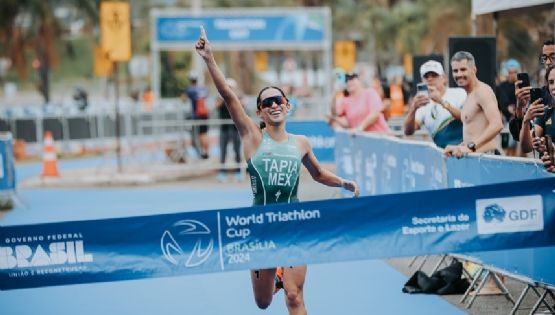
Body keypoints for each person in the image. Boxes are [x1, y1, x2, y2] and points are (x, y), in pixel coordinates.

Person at [195, 26, 359, 315]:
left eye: (278, 101)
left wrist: (343, 183)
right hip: (260, 227)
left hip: (294, 225)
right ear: (259, 112)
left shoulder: (301, 142)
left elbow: (319, 174)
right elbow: (229, 96)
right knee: (263, 302)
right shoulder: (252, 137)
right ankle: (276, 277)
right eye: (266, 102)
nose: (273, 105)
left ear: (288, 107)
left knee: (294, 298)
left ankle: (287, 279)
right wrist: (209, 59)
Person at [444, 51, 503, 157]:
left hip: (487, 158)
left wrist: (470, 147)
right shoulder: (469, 95)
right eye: (455, 71)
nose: (459, 74)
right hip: (476, 159)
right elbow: (474, 132)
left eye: (463, 69)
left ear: (474, 70)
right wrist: (459, 147)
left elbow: (497, 125)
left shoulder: (482, 91)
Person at [404, 60, 467, 148]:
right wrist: (413, 109)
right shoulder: (422, 102)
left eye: (434, 75)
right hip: (442, 154)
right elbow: (408, 131)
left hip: (463, 150)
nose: (430, 79)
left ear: (444, 78)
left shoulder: (459, 93)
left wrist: (441, 101)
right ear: (422, 80)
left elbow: (467, 118)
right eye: (426, 76)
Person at [510, 38, 555, 143]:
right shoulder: (542, 95)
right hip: (544, 159)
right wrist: (520, 108)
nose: (548, 62)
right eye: (544, 58)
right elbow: (522, 139)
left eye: (553, 57)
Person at [519, 65, 555, 156]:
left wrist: (552, 148)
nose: (554, 86)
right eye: (551, 82)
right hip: (545, 170)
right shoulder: (545, 112)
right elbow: (526, 147)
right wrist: (526, 121)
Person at [216, 78, 243, 182]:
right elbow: (216, 106)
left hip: (236, 128)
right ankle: (222, 172)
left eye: (231, 87)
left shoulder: (238, 96)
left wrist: (233, 98)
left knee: (237, 150)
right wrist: (224, 98)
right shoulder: (220, 97)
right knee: (223, 151)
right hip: (224, 128)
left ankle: (238, 171)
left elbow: (243, 104)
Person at [495, 59, 521, 155]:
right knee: (506, 147)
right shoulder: (501, 87)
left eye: (514, 72)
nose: (512, 75)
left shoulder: (520, 86)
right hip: (505, 122)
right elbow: (498, 104)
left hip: (517, 120)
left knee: (516, 147)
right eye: (510, 72)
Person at [182, 72, 210, 159]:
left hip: (197, 115)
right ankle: (206, 152)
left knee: (198, 135)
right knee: (204, 133)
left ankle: (202, 153)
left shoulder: (190, 89)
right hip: (205, 114)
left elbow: (183, 99)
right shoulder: (204, 88)